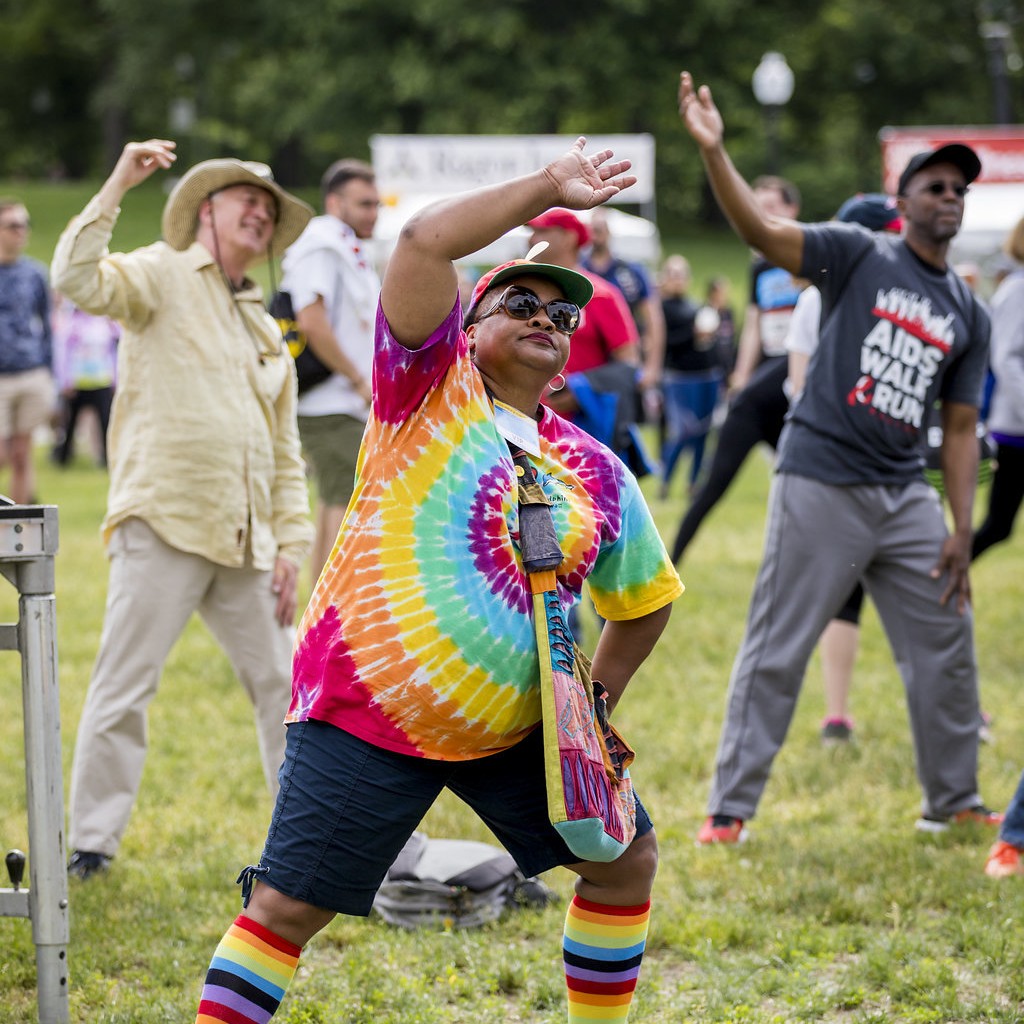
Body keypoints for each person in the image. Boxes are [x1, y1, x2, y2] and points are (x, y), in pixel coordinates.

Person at [192, 138, 683, 1024]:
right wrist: (548, 187)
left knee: (624, 864)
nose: (545, 317)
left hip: (521, 732)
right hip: (369, 708)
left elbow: (645, 599)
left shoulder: (596, 469)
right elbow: (423, 242)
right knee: (287, 909)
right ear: (468, 326)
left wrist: (592, 706)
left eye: (561, 315)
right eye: (519, 302)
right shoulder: (423, 389)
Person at [678, 71, 1000, 844]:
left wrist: (962, 528)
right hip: (820, 477)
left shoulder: (968, 311)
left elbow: (960, 429)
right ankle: (729, 810)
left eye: (958, 189)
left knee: (947, 642)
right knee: (778, 646)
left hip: (905, 494)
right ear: (903, 198)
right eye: (934, 185)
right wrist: (715, 151)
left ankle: (952, 799)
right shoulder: (859, 254)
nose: (949, 196)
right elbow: (763, 233)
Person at [51, 140, 315, 880]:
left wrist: (292, 545)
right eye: (246, 201)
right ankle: (92, 845)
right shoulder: (160, 273)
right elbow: (73, 277)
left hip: (249, 541)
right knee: (124, 684)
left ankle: (304, 845)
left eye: (269, 208)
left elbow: (284, 450)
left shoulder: (266, 328)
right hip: (162, 519)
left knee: (289, 690)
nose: (260, 215)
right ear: (207, 211)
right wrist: (118, 183)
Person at [784, 193, 904, 745]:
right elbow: (799, 385)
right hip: (836, 467)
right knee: (843, 586)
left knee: (924, 594)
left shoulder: (908, 296)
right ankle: (835, 714)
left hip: (898, 467)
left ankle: (959, 708)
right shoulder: (819, 297)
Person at [668, 177, 803, 564]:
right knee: (717, 479)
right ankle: (671, 562)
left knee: (802, 479)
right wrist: (741, 377)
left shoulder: (810, 253)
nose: (763, 215)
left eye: (771, 207)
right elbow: (755, 325)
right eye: (757, 208)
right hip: (766, 383)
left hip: (799, 376)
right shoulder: (760, 266)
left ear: (792, 209)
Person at [281, 158, 381, 584]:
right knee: (345, 508)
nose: (373, 213)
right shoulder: (322, 244)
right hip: (329, 400)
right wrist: (358, 380)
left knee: (336, 502)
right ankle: (330, 608)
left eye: (376, 204)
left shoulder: (345, 246)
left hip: (343, 401)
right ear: (335, 203)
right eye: (364, 204)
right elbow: (311, 320)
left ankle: (323, 608)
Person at [972, 214, 1024, 562]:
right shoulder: (1018, 290)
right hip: (1016, 429)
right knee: (998, 525)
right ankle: (940, 579)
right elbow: (1005, 358)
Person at [0, 199, 53, 504]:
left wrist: (49, 371)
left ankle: (16, 524)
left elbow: (47, 325)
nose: (21, 231)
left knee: (22, 455)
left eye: (25, 225)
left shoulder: (35, 274)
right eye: (13, 225)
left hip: (31, 372)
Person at [657, 254, 723, 498]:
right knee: (684, 430)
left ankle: (694, 483)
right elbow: (665, 343)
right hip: (680, 378)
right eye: (673, 274)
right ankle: (665, 481)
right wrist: (692, 333)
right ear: (664, 278)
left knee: (703, 432)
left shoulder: (695, 306)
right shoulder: (659, 308)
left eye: (681, 274)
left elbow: (710, 343)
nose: (677, 279)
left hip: (708, 375)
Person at [583, 206, 666, 397]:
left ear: (609, 232)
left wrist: (652, 367)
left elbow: (653, 319)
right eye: (592, 230)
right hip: (589, 363)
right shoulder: (579, 269)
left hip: (624, 357)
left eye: (600, 229)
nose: (595, 235)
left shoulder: (631, 272)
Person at [50, 293, 119, 467]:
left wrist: (115, 379)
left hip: (101, 380)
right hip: (78, 382)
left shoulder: (105, 323)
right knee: (69, 423)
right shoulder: (72, 323)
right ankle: (63, 457)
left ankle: (106, 458)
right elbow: (63, 354)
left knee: (105, 422)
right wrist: (65, 380)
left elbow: (113, 351)